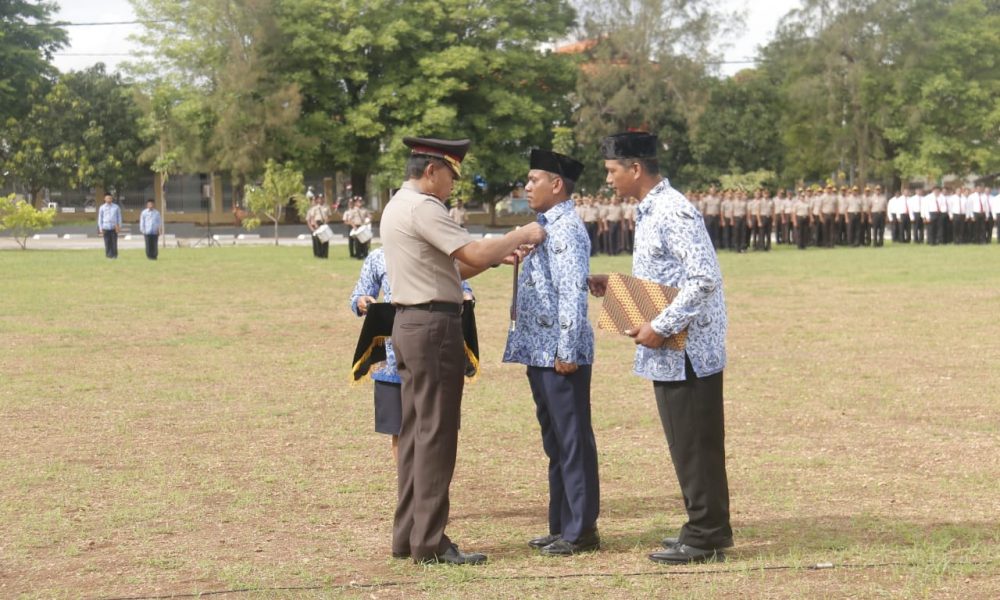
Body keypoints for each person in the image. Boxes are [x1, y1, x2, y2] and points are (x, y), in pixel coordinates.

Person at [380, 136, 546, 566]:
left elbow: (455, 266)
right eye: (452, 175)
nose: (454, 184)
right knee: (436, 435)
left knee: (417, 432)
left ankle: (409, 535)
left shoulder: (399, 204)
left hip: (411, 323)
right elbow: (469, 251)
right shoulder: (424, 207)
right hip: (433, 326)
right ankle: (430, 542)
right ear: (432, 170)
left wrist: (496, 257)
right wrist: (519, 234)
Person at [589, 132, 732, 565]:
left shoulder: (672, 210)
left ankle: (706, 534)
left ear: (635, 169)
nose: (608, 180)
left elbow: (703, 277)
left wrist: (660, 324)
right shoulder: (651, 209)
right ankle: (703, 526)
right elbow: (666, 276)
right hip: (673, 347)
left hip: (687, 347)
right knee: (687, 441)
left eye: (613, 171)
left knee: (696, 443)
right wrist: (616, 288)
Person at [502, 149, 600, 557]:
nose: (526, 187)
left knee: (573, 440)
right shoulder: (543, 227)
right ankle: (561, 525)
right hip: (539, 351)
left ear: (556, 185)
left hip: (561, 354)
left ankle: (581, 531)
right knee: (556, 442)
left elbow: (572, 297)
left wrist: (566, 349)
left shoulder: (567, 230)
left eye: (533, 180)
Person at [350, 248, 474, 462]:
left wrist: (466, 296)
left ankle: (430, 485)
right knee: (400, 430)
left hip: (436, 352)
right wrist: (362, 301)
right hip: (393, 359)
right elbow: (358, 296)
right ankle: (408, 488)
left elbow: (463, 288)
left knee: (437, 427)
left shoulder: (442, 254)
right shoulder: (379, 256)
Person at [97, 193, 122, 259]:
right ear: (104, 199)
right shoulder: (102, 207)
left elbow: (119, 217)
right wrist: (100, 228)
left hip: (114, 227)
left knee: (114, 242)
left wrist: (119, 226)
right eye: (107, 198)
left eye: (110, 198)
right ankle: (108, 255)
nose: (109, 199)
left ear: (112, 199)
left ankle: (114, 255)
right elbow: (100, 218)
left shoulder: (116, 207)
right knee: (107, 242)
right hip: (105, 227)